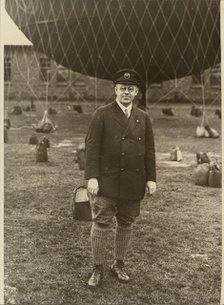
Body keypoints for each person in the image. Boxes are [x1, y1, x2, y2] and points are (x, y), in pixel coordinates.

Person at [85, 69, 156, 288]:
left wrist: (151, 178)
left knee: (126, 223)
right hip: (107, 181)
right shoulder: (102, 113)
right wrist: (92, 177)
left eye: (131, 89)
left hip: (133, 182)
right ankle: (97, 268)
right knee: (101, 223)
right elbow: (91, 147)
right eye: (122, 88)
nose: (126, 92)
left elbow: (150, 150)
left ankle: (119, 264)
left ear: (136, 92)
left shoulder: (143, 117)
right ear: (115, 90)